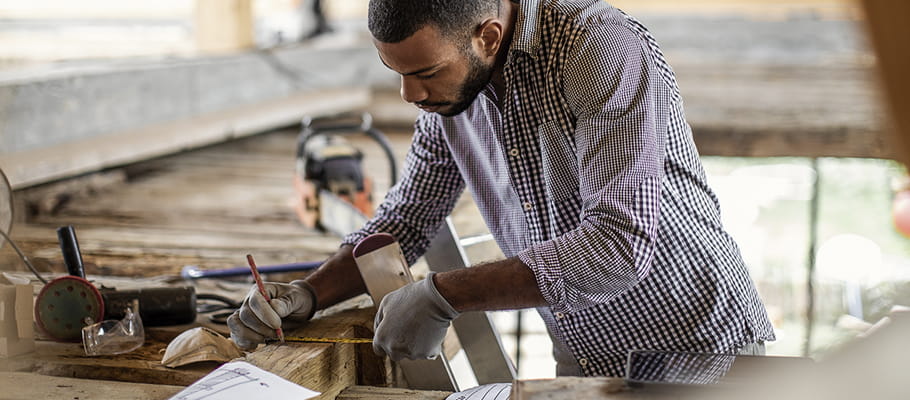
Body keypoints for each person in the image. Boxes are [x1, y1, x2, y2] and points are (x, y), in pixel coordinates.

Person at [228, 0, 776, 377]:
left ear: (487, 35)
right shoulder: (448, 93)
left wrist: (444, 294)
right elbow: (410, 214)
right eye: (396, 71)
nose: (407, 93)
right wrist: (309, 293)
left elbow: (617, 251)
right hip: (582, 344)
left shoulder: (598, 50)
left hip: (693, 346)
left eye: (425, 71)